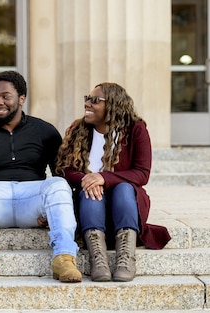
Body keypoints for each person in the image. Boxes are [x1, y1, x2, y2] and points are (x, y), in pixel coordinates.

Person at [0, 70, 82, 284]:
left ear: (21, 99)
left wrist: (52, 213)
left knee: (58, 184)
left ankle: (64, 257)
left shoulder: (45, 132)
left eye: (6, 96)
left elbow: (61, 175)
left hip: (32, 203)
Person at [55, 82, 171, 282]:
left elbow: (142, 173)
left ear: (114, 105)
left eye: (95, 100)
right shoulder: (78, 129)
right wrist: (88, 179)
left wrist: (104, 177)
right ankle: (97, 258)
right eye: (87, 99)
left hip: (125, 208)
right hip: (89, 208)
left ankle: (125, 257)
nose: (87, 104)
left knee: (124, 188)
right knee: (90, 191)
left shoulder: (136, 129)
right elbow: (64, 169)